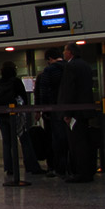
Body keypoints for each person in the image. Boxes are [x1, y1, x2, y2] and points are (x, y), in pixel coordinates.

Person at [0, 61, 45, 177]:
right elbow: (24, 98)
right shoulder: (16, 81)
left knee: (7, 142)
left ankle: (9, 168)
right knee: (25, 140)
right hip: (15, 116)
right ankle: (32, 166)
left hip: (1, 116)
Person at [58, 42, 95, 182]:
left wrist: (67, 112)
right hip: (85, 110)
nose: (63, 53)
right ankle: (88, 170)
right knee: (85, 142)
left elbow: (69, 90)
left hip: (75, 112)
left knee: (76, 143)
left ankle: (80, 172)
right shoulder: (85, 65)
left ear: (70, 53)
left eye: (65, 50)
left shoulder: (71, 66)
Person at [35, 46, 68, 177]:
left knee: (53, 139)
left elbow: (42, 92)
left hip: (52, 111)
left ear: (49, 59)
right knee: (68, 138)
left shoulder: (47, 71)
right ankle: (69, 166)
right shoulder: (70, 68)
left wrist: (42, 110)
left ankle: (54, 166)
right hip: (70, 109)